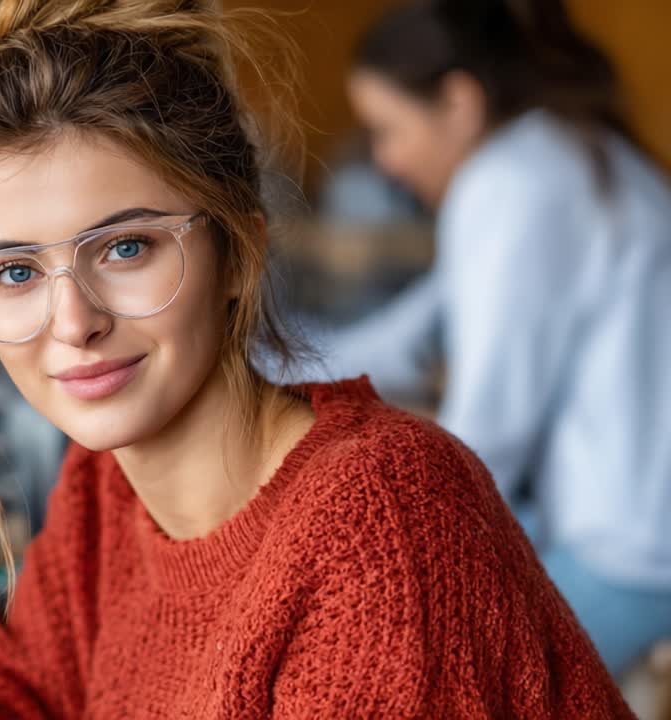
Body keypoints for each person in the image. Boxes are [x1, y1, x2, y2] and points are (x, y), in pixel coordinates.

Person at [0, 1, 632, 717]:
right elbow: (18, 679)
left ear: (240, 253)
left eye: (127, 248)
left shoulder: (377, 527)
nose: (74, 323)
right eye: (14, 272)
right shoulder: (105, 491)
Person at [310, 0, 671, 674]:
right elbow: (415, 332)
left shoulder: (513, 181)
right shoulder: (568, 153)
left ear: (459, 101)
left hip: (631, 558)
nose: (385, 161)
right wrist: (271, 363)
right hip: (629, 532)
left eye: (388, 130)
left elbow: (489, 436)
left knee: (405, 657)